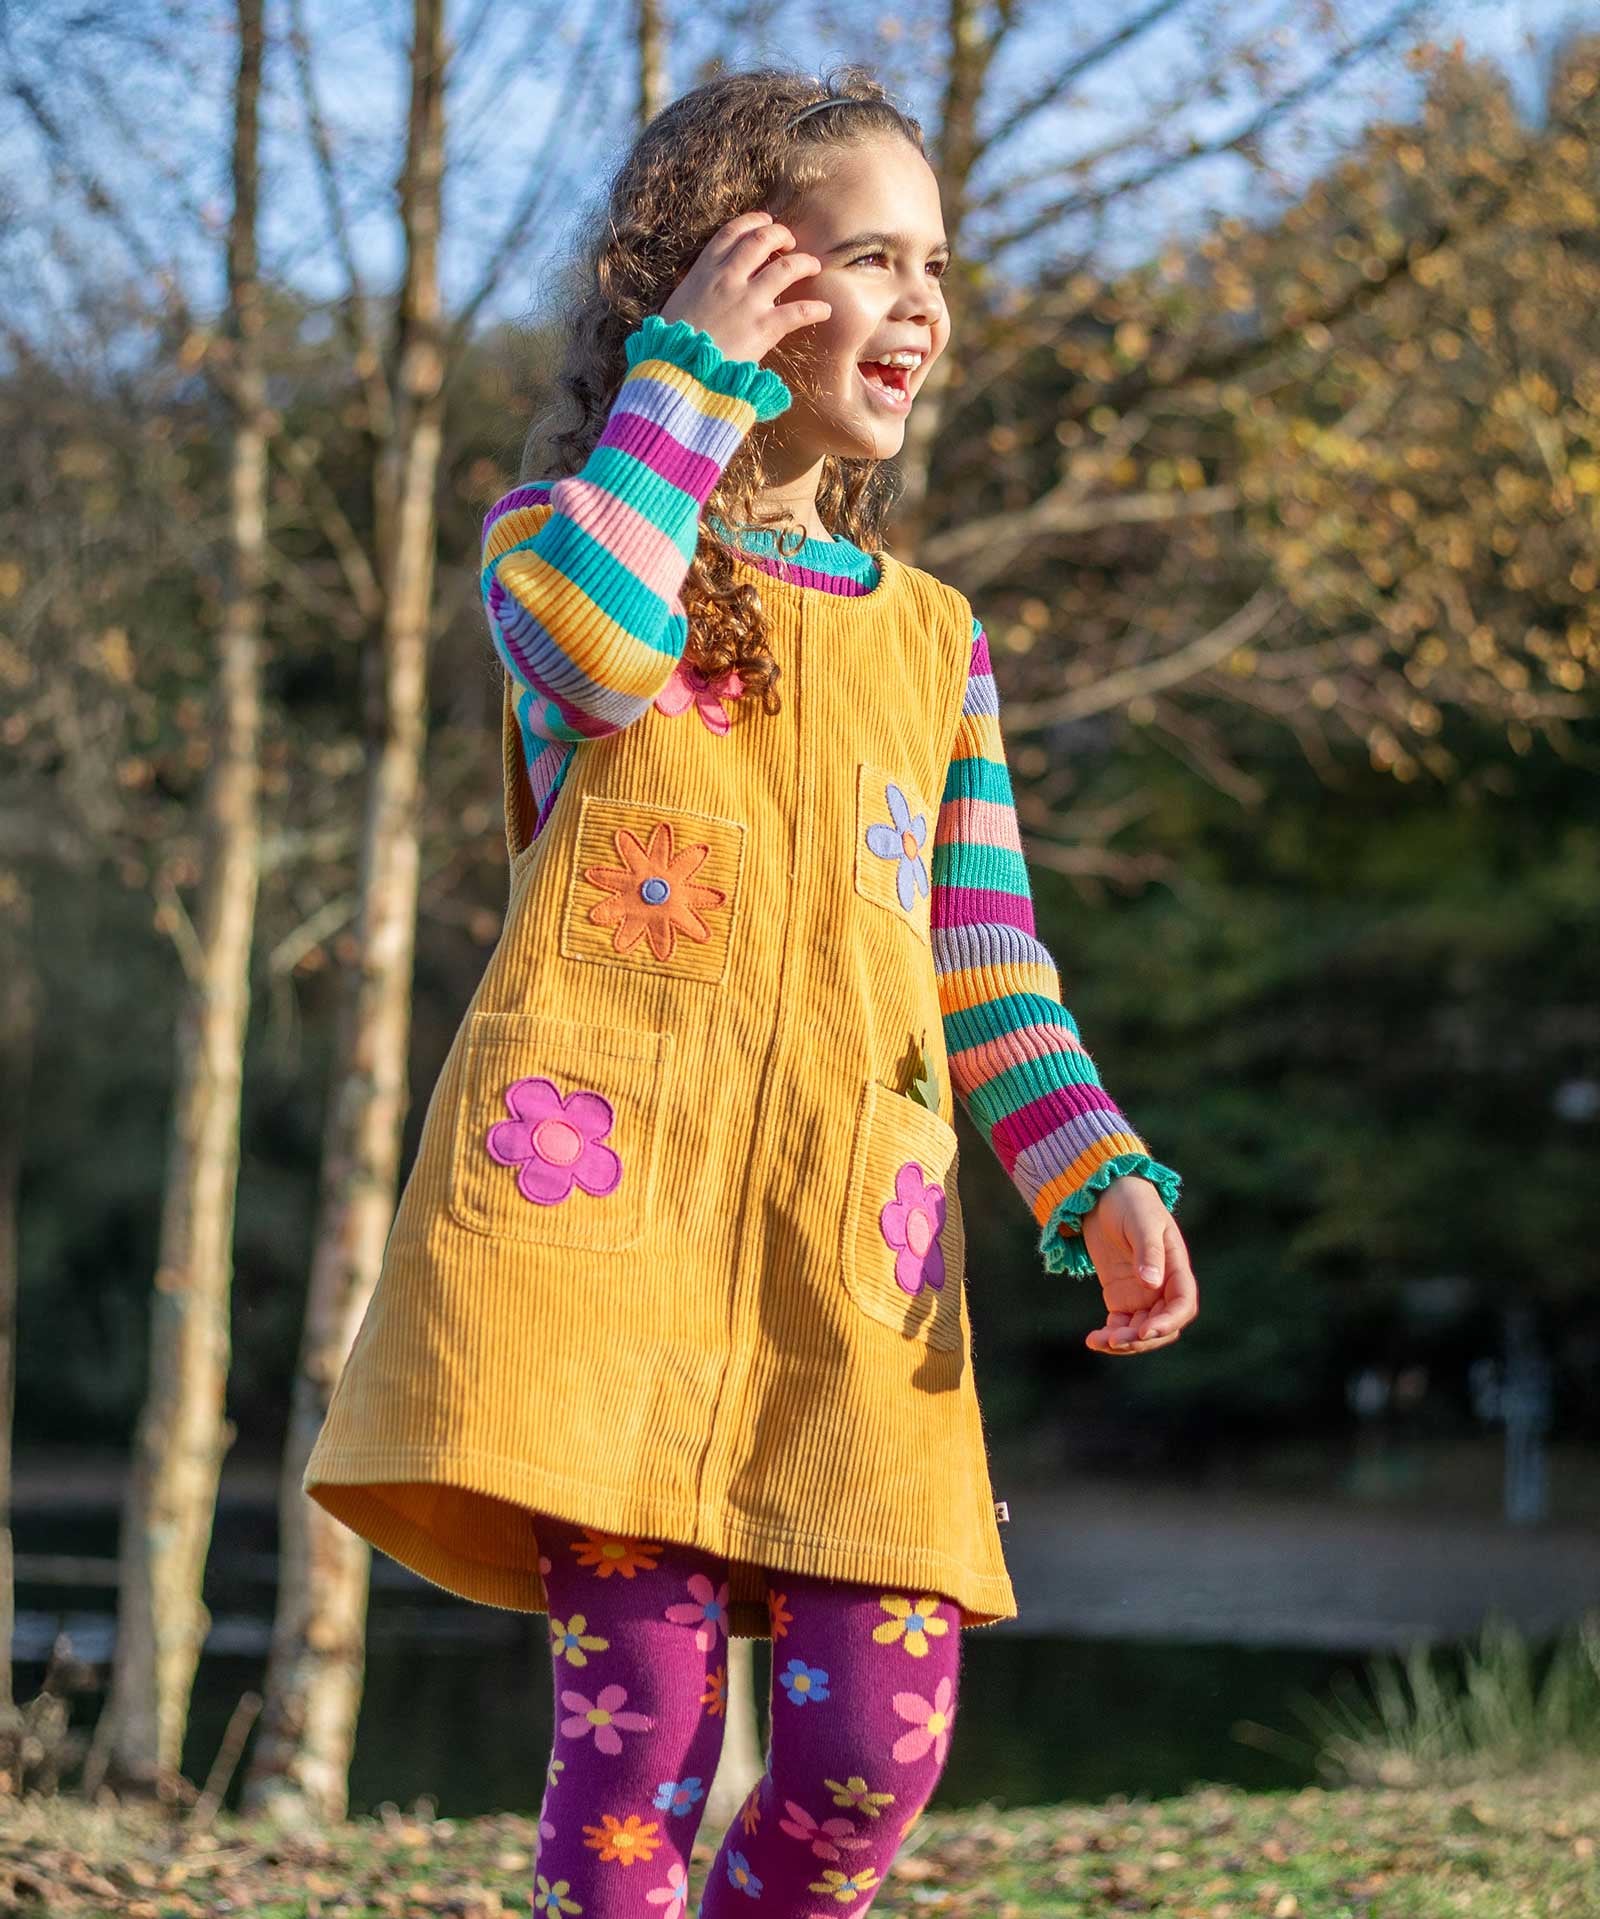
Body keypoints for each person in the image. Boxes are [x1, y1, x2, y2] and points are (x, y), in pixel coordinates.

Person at [303, 62, 1199, 1918]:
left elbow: (990, 961)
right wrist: (681, 387)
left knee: (874, 1751)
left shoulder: (938, 641)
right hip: (605, 1250)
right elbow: (594, 650)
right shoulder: (565, 537)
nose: (927, 305)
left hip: (840, 1262)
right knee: (640, 1747)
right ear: (738, 280)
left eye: (937, 263)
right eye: (873, 258)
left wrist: (1095, 1172)